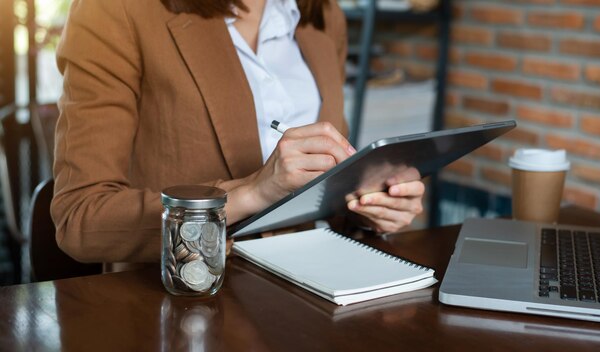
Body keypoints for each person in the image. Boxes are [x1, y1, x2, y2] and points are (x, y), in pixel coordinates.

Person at [51, 0, 425, 265]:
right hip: (183, 298)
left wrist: (369, 203)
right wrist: (253, 191)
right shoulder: (115, 10)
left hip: (312, 282)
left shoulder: (323, 15)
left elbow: (323, 184)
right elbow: (81, 218)